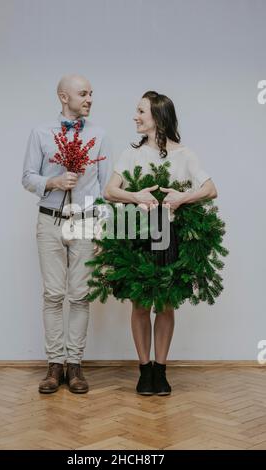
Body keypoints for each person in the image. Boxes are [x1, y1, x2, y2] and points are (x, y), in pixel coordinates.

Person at [104, 91, 217, 396]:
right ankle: (144, 370)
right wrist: (135, 196)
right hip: (138, 236)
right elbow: (109, 191)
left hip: (170, 235)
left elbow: (210, 188)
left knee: (165, 306)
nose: (135, 117)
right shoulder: (131, 154)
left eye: (141, 111)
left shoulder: (185, 155)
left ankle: (161, 370)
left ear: (158, 116)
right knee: (140, 305)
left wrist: (182, 197)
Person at [22, 74, 113, 394]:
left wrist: (104, 231)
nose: (89, 99)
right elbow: (27, 176)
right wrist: (53, 182)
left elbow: (105, 189)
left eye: (91, 93)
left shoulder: (99, 135)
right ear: (64, 96)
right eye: (83, 93)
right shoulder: (40, 132)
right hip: (49, 220)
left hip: (86, 221)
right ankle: (54, 365)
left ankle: (75, 365)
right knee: (53, 294)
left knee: (80, 295)